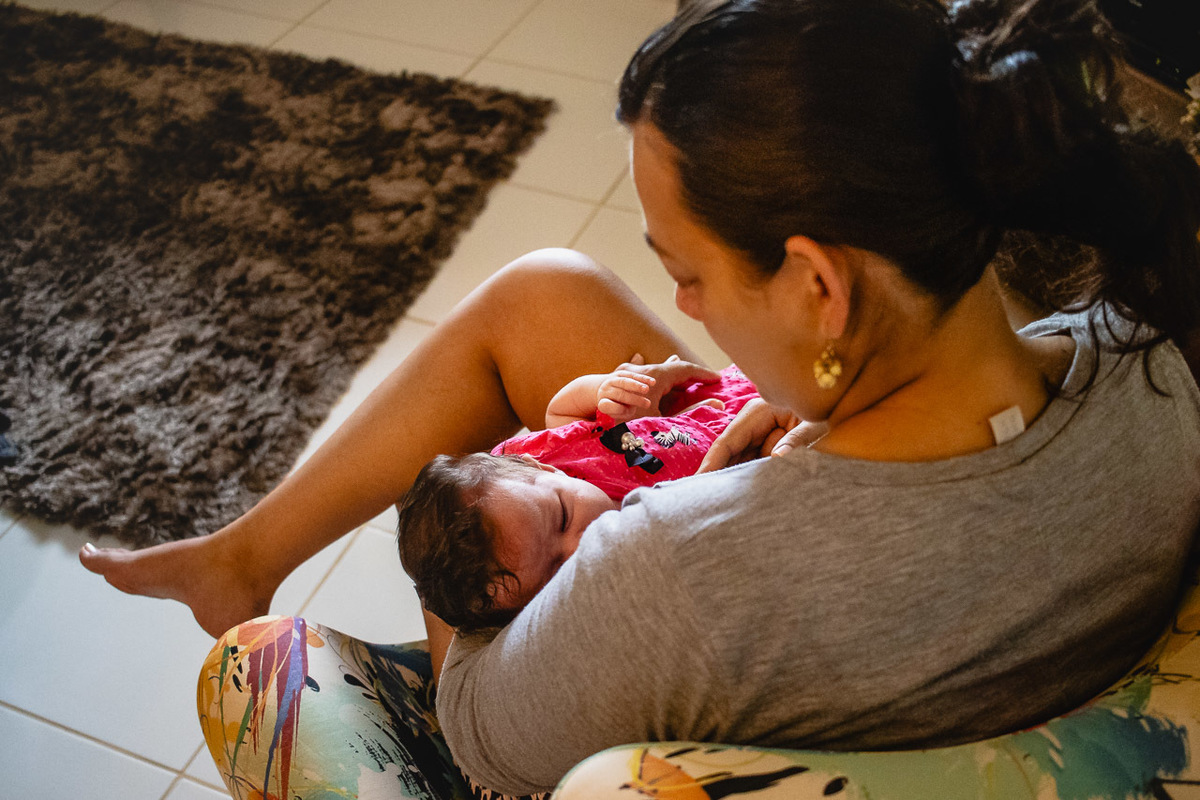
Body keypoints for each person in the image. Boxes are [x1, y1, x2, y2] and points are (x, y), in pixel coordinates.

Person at [81, 0, 1200, 796]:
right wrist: (809, 426)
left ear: (819, 284)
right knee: (547, 292)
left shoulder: (671, 572)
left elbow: (479, 736)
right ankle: (242, 552)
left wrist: (495, 490)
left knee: (463, 498)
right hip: (975, 610)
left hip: (642, 695)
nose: (678, 298)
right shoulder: (1147, 356)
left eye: (692, 271)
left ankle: (266, 578)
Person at [397, 358, 759, 632]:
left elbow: (560, 411)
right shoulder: (630, 563)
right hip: (756, 446)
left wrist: (606, 388)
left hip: (717, 401)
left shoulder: (550, 460)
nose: (579, 545)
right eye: (556, 571)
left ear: (543, 468)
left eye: (563, 517)